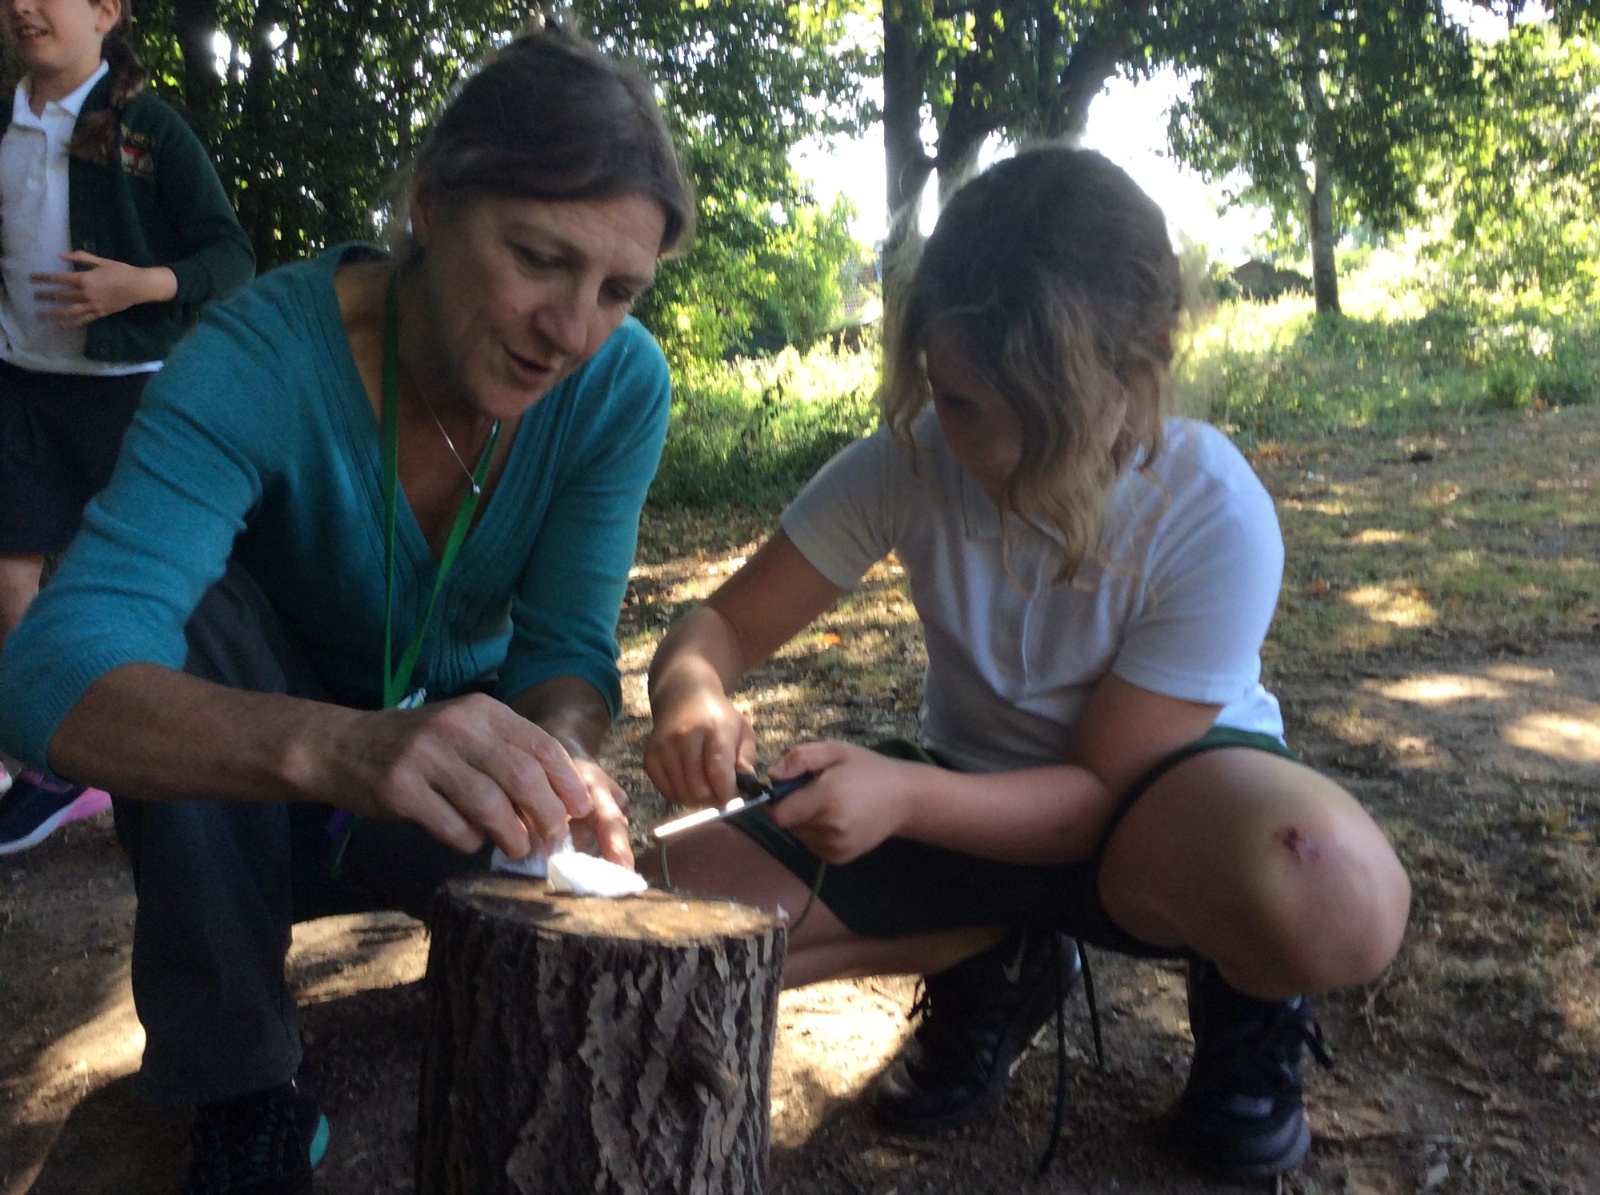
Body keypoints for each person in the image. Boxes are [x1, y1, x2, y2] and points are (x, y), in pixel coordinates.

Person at [0, 23, 692, 1195]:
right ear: (432, 202)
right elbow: (46, 675)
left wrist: (561, 759)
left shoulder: (618, 387)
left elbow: (566, 650)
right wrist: (342, 745)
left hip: (437, 789)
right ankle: (240, 1080)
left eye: (617, 292)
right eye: (540, 259)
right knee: (197, 611)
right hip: (245, 797)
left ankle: (495, 978)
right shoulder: (255, 357)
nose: (573, 331)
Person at [643, 147, 1411, 1182]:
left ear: (1144, 364)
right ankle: (1000, 956)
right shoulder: (910, 463)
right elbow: (717, 629)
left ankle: (1249, 1011)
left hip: (1160, 823)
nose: (990, 450)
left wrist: (900, 798)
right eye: (961, 399)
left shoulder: (1211, 508)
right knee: (653, 914)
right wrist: (691, 694)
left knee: (1333, 887)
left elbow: (1097, 794)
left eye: (1040, 411)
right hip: (962, 806)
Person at [0, 0, 254, 846]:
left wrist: (137, 286)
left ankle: (142, 752)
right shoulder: (4, 123)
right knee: (6, 580)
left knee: (140, 587)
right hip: (20, 388)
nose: (22, 6)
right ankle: (44, 755)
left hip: (130, 392)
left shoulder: (150, 129)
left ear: (106, 11)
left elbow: (230, 255)